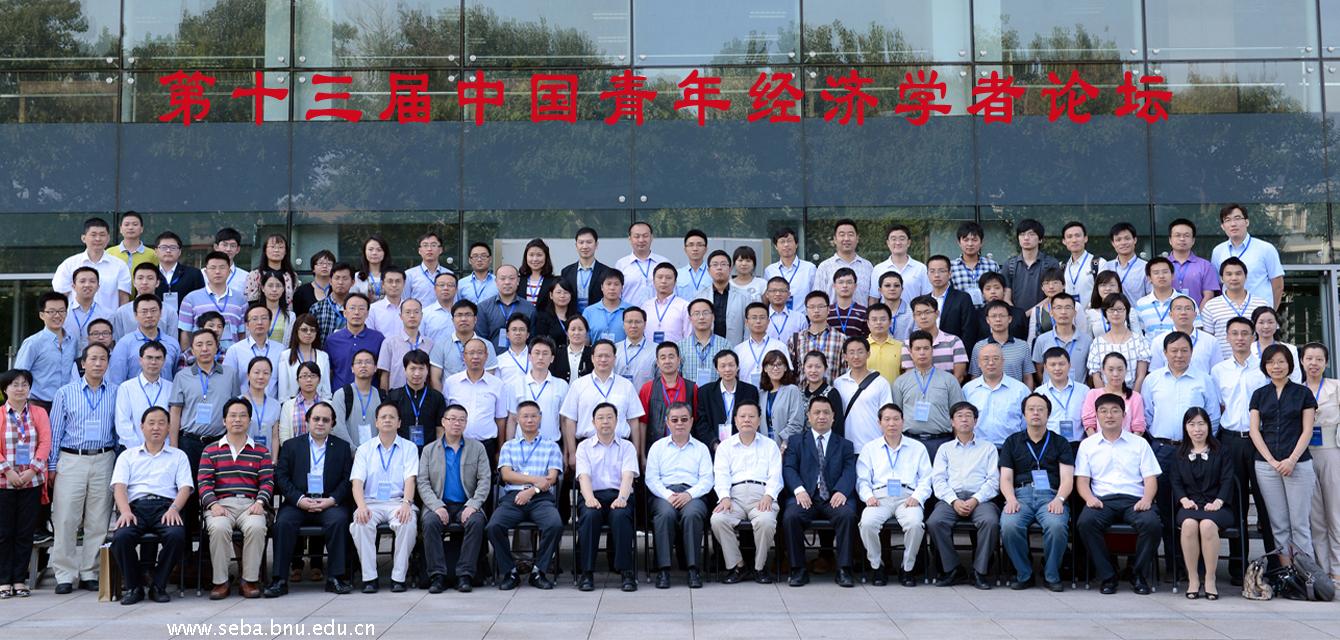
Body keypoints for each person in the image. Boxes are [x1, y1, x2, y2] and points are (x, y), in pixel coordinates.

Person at [264, 401, 354, 597]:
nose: (320, 423)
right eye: (316, 419)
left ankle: (335, 578)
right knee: (283, 523)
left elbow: (347, 480)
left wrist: (331, 500)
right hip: (298, 503)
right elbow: (281, 477)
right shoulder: (291, 446)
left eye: (326, 420)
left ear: (332, 424)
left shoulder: (342, 447)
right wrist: (299, 499)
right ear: (307, 421)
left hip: (329, 503)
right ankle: (279, 580)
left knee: (339, 521)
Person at [1075, 392, 1162, 595]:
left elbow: (1150, 479)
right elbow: (1082, 480)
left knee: (1152, 524)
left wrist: (1147, 499)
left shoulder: (1139, 443)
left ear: (1124, 415)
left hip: (1134, 500)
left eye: (1115, 411)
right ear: (1096, 415)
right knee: (1085, 523)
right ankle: (1108, 576)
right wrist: (1089, 498)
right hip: (1102, 500)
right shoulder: (1087, 445)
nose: (1109, 415)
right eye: (1103, 411)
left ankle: (1137, 574)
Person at [48, 343, 117, 594]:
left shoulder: (116, 392)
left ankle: (90, 572)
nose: (98, 363)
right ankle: (64, 574)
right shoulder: (65, 393)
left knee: (99, 519)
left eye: (103, 359)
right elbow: (55, 432)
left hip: (104, 457)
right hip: (72, 459)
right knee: (66, 518)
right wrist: (52, 466)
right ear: (83, 363)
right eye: (93, 359)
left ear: (108, 363)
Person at [108, 405, 191, 605]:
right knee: (121, 537)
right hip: (135, 508)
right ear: (142, 427)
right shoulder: (127, 456)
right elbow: (119, 487)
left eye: (161, 423)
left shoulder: (178, 456)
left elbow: (185, 488)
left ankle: (158, 585)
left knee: (177, 536)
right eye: (151, 423)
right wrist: (125, 511)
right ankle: (134, 586)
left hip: (166, 508)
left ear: (169, 427)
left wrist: (174, 509)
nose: (156, 427)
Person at [1212, 316, 1272, 580]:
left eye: (1245, 333)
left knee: (1266, 502)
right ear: (1227, 337)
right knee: (1236, 503)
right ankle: (1238, 566)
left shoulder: (1264, 368)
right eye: (1234, 333)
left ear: (1253, 336)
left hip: (1260, 441)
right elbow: (1217, 406)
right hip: (1230, 440)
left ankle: (1275, 564)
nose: (1239, 338)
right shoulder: (1219, 370)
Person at [198, 398, 274, 599]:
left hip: (251, 504)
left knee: (256, 527)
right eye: (232, 416)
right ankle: (220, 582)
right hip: (221, 505)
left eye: (242, 416)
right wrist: (212, 504)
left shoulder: (261, 451)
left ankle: (249, 580)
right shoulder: (210, 450)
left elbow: (267, 482)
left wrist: (260, 502)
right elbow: (204, 483)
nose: (237, 420)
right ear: (224, 420)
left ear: (249, 420)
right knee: (219, 528)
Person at [1250, 344, 1317, 567]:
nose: (1276, 366)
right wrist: (1271, 461)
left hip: (1298, 464)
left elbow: (1307, 430)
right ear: (1264, 366)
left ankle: (1306, 576)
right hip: (1266, 466)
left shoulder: (1303, 393)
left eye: (1281, 361)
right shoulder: (1259, 395)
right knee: (1278, 525)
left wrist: (1291, 459)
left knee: (1300, 525)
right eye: (1270, 362)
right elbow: (1254, 431)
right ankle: (1287, 574)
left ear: (1290, 364)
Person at [999, 393, 1074, 591]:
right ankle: (1024, 573)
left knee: (1056, 526)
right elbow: (1005, 477)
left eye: (1041, 409)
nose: (1036, 413)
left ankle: (1051, 574)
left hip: (1051, 496)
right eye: (1031, 409)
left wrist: (1060, 499)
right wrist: (1010, 499)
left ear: (1048, 414)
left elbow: (1067, 478)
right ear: (1024, 414)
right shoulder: (1012, 441)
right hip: (1020, 495)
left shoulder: (1060, 442)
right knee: (1009, 525)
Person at [782, 396, 857, 588]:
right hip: (806, 497)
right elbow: (789, 468)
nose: (821, 416)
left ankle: (844, 569)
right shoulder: (796, 442)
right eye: (817, 412)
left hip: (833, 497)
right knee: (791, 517)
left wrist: (841, 491)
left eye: (826, 413)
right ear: (808, 416)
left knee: (847, 515)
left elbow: (850, 471)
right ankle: (798, 570)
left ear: (833, 417)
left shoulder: (845, 444)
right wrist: (799, 490)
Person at [487, 401, 563, 590]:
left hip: (541, 498)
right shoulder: (509, 446)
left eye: (533, 416)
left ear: (540, 418)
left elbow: (552, 478)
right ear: (517, 419)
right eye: (525, 416)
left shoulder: (551, 446)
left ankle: (538, 571)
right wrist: (537, 480)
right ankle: (510, 572)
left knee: (555, 525)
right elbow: (506, 475)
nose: (530, 420)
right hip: (513, 497)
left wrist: (531, 490)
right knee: (494, 526)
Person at [856, 403, 932, 587]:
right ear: (879, 423)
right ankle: (877, 566)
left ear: (903, 421)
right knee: (866, 523)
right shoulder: (870, 448)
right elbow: (862, 480)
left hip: (908, 498)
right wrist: (868, 496)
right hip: (879, 498)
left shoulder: (917, 447)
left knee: (915, 524)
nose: (892, 423)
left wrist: (918, 497)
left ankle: (907, 568)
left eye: (896, 419)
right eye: (887, 419)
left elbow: (926, 479)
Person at [926, 402, 999, 590]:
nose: (964, 419)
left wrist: (976, 499)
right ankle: (953, 569)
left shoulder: (988, 448)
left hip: (980, 499)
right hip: (952, 498)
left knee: (990, 522)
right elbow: (938, 480)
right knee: (935, 522)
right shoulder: (945, 449)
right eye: (959, 416)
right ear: (952, 422)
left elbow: (993, 481)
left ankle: (979, 571)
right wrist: (954, 500)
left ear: (976, 421)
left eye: (968, 416)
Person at [418, 404, 491, 593]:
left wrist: (473, 505)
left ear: (466, 423)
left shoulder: (477, 448)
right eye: (452, 419)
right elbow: (423, 482)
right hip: (438, 504)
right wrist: (436, 506)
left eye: (461, 420)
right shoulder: (429, 450)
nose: (456, 423)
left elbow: (485, 480)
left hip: (466, 504)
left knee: (476, 522)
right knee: (430, 522)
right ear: (443, 422)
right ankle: (437, 576)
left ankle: (465, 575)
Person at [349, 402, 418, 593]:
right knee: (360, 524)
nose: (387, 420)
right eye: (383, 417)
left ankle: (398, 577)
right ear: (376, 422)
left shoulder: (409, 447)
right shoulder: (364, 449)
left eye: (392, 417)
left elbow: (410, 479)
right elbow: (357, 482)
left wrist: (407, 504)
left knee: (407, 522)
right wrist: (361, 506)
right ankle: (369, 578)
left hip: (398, 502)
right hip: (371, 503)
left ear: (399, 423)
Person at [710, 401, 781, 584]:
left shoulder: (770, 445)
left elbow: (775, 475)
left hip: (762, 496)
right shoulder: (725, 446)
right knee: (718, 520)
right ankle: (738, 566)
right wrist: (724, 497)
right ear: (735, 420)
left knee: (766, 521)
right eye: (742, 416)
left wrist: (768, 495)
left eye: (751, 416)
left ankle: (759, 567)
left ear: (759, 420)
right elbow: (721, 474)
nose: (747, 420)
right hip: (735, 497)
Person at [645, 402, 712, 589]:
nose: (679, 423)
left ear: (691, 421)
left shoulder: (701, 448)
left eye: (684, 419)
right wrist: (668, 495)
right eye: (674, 420)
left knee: (692, 514)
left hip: (693, 494)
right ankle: (664, 570)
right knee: (665, 514)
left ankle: (693, 569)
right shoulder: (657, 447)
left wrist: (689, 494)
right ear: (667, 423)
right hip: (664, 494)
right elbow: (651, 479)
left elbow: (707, 479)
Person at [574, 403, 640, 592]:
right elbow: (583, 476)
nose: (605, 422)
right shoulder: (584, 447)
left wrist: (622, 498)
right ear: (593, 422)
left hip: (619, 494)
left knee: (620, 516)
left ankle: (626, 572)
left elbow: (628, 475)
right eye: (601, 418)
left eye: (610, 417)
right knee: (590, 516)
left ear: (617, 421)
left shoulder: (627, 446)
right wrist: (589, 498)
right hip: (592, 494)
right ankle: (586, 573)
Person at [1171, 407, 1235, 600]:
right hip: (1190, 505)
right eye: (1192, 424)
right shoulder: (1179, 453)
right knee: (1189, 525)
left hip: (1218, 506)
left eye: (1201, 424)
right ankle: (1193, 579)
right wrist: (1183, 500)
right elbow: (1175, 481)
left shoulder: (1222, 451)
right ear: (1185, 428)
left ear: (1209, 426)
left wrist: (1218, 501)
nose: (1197, 429)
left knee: (1207, 525)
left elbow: (1228, 480)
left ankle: (1210, 578)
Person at [0, 370, 50, 599]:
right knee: (4, 533)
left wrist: (32, 470)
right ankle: (4, 580)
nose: (20, 389)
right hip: (4, 483)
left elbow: (45, 442)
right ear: (5, 389)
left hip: (32, 482)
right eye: (15, 384)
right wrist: (7, 471)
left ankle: (20, 579)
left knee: (25, 532)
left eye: (24, 384)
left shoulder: (38, 413)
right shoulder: (1, 414)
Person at [560, 340, 645, 462]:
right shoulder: (578, 385)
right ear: (592, 358)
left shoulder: (626, 385)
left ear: (614, 359)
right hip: (586, 448)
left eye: (607, 356)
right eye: (599, 356)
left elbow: (633, 421)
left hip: (621, 449)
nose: (603, 359)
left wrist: (635, 453)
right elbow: (570, 420)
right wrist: (572, 453)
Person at [892, 331, 965, 460]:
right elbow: (896, 415)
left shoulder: (949, 380)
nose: (922, 353)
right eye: (917, 349)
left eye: (926, 348)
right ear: (910, 352)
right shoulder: (900, 382)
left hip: (941, 442)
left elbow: (958, 414)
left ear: (932, 351)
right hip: (910, 442)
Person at [1303, 343, 1340, 580]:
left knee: (1335, 512)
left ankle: (1338, 568)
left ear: (1326, 363)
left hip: (1331, 450)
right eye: (1309, 358)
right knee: (1315, 516)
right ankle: (1323, 568)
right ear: (1302, 362)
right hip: (1306, 453)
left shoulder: (1336, 387)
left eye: (1319, 359)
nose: (1314, 363)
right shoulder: (1297, 390)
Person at [443, 339, 511, 460]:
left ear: (486, 356)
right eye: (471, 353)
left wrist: (500, 449)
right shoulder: (451, 383)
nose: (475, 357)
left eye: (480, 352)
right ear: (464, 356)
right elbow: (445, 416)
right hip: (456, 444)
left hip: (486, 445)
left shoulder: (497, 384)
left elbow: (500, 419)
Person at [15, 291, 78, 411]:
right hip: (39, 405)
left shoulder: (72, 341)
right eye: (51, 311)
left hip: (67, 404)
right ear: (42, 315)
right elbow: (19, 375)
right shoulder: (33, 343)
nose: (57, 315)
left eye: (61, 311)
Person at [1212, 203, 1284, 307]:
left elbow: (1278, 285)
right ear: (1223, 226)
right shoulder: (1218, 251)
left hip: (1259, 312)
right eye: (1227, 220)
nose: (1233, 224)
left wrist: (1272, 311)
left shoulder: (1266, 248)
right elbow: (1218, 285)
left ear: (1247, 222)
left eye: (1237, 218)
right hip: (1228, 312)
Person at [52, 217, 131, 311]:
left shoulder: (120, 265)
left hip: (109, 319)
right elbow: (60, 297)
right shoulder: (69, 264)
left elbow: (123, 299)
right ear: (83, 238)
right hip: (75, 319)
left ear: (108, 238)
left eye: (102, 235)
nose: (98, 239)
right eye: (93, 235)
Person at [1201, 257, 1269, 360]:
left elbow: (1268, 336)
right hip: (1222, 364)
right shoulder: (1210, 306)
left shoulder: (1261, 304)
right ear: (1221, 278)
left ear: (1246, 276)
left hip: (1256, 364)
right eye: (1229, 274)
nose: (1234, 278)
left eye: (1238, 274)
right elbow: (1208, 341)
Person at [963, 343, 1031, 447]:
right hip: (976, 449)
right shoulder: (968, 390)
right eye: (986, 359)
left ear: (1003, 361)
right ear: (978, 363)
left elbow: (1027, 424)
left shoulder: (1021, 390)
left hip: (1011, 449)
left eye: (995, 358)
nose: (991, 363)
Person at [834, 337, 894, 452]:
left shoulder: (881, 383)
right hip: (847, 447)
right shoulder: (839, 383)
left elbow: (887, 415)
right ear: (845, 356)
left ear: (868, 354)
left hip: (875, 446)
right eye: (851, 352)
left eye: (860, 352)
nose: (856, 356)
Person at [178, 251, 246, 353]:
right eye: (213, 268)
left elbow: (242, 333)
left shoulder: (241, 299)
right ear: (205, 272)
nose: (217, 271)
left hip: (231, 356)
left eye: (222, 267)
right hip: (201, 356)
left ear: (229, 271)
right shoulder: (190, 299)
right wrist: (187, 357)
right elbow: (186, 333)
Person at [693, 351, 760, 451]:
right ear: (717, 369)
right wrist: (714, 444)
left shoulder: (750, 391)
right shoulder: (705, 392)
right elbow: (701, 423)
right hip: (715, 448)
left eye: (731, 365)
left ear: (737, 367)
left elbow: (754, 419)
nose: (727, 369)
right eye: (723, 366)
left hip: (744, 447)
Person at [1085, 293, 1152, 392]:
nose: (1116, 313)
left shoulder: (1139, 340)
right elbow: (1096, 376)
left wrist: (1133, 397)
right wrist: (1106, 398)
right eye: (1111, 310)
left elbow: (1141, 375)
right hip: (1106, 397)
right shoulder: (1097, 343)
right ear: (1105, 313)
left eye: (1120, 309)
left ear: (1127, 311)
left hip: (1133, 394)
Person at [509, 337, 568, 442]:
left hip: (551, 444)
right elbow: (512, 419)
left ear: (552, 358)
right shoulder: (516, 384)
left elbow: (564, 420)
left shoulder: (562, 385)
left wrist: (567, 449)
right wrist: (508, 446)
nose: (540, 357)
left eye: (545, 354)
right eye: (537, 353)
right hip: (521, 444)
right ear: (529, 357)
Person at [428, 300, 500, 386]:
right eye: (459, 315)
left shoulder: (487, 345)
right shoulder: (441, 345)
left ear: (475, 319)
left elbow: (490, 377)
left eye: (468, 315)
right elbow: (435, 379)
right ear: (452, 320)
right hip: (449, 394)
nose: (463, 319)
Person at [637, 342, 697, 444]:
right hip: (656, 446)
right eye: (663, 358)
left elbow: (695, 420)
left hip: (685, 446)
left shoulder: (691, 388)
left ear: (679, 360)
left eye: (671, 357)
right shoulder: (647, 388)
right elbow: (643, 423)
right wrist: (642, 452)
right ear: (657, 362)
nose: (667, 361)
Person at [386, 350, 446, 448]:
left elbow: (440, 429)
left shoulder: (437, 397)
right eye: (412, 368)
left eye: (421, 368)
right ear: (405, 370)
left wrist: (438, 451)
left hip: (428, 451)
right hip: (400, 450)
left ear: (427, 370)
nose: (417, 373)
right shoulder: (394, 396)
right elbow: (388, 427)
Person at [325, 294, 385, 391]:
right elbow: (329, 371)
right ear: (345, 313)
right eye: (352, 308)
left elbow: (382, 372)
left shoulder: (378, 338)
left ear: (367, 313)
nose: (357, 312)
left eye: (361, 308)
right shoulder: (332, 340)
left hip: (370, 394)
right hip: (340, 394)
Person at [1147, 294, 1220, 374]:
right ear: (1171, 315)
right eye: (1178, 308)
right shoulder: (1159, 341)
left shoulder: (1211, 341)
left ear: (1195, 315)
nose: (1183, 312)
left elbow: (1217, 373)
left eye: (1188, 308)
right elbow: (1155, 373)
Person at [223, 304, 285, 397]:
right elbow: (228, 382)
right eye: (254, 319)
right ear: (247, 325)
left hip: (273, 404)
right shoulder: (235, 350)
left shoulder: (281, 349)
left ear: (270, 322)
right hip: (244, 404)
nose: (260, 322)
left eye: (264, 318)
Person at [904, 294, 969, 382]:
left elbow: (959, 376)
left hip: (949, 389)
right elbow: (910, 377)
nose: (923, 317)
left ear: (937, 314)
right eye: (918, 314)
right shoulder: (907, 344)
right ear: (914, 317)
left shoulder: (954, 341)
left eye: (927, 312)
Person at [696, 250, 755, 345]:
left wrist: (745, 347)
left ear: (730, 268)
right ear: (708, 270)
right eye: (715, 265)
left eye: (723, 264)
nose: (719, 268)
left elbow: (748, 327)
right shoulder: (700, 297)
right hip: (708, 347)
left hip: (735, 347)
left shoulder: (744, 297)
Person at [1031, 293, 1091, 385]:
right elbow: (1039, 369)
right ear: (1051, 312)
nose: (1063, 312)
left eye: (1068, 308)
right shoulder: (1042, 340)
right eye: (1058, 308)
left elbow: (1090, 372)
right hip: (1049, 391)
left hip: (1079, 391)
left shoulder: (1087, 340)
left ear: (1075, 312)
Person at [1080, 352, 1147, 435]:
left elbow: (1138, 427)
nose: (1115, 374)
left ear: (1126, 371)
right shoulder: (1093, 394)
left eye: (1120, 369)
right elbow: (1089, 424)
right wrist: (1097, 442)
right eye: (1111, 370)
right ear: (1103, 371)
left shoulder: (1135, 397)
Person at [970, 300, 1033, 386]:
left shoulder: (1023, 346)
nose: (998, 319)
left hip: (1016, 393)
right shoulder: (979, 347)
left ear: (1010, 319)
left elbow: (1028, 377)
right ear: (987, 320)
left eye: (1002, 316)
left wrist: (1028, 394)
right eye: (993, 316)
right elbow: (975, 376)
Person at [787, 291, 847, 382]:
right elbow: (790, 372)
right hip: (803, 390)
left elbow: (845, 372)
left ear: (828, 309)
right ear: (806, 310)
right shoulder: (796, 339)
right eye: (812, 307)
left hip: (831, 390)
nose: (816, 310)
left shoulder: (841, 339)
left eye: (820, 306)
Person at [1003, 218, 1060, 311]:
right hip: (1015, 317)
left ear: (1040, 239)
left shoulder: (1051, 263)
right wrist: (1017, 315)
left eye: (1031, 234)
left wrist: (1030, 313)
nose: (1026, 238)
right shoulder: (1009, 265)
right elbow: (1006, 297)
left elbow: (1054, 294)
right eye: (1022, 234)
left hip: (1044, 315)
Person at [1038, 346, 1091, 445]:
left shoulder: (1084, 391)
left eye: (1061, 364)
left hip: (1078, 444)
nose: (1057, 368)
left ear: (1069, 365)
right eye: (1052, 365)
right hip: (1050, 445)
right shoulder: (1039, 393)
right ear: (1045, 367)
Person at [331, 350, 383, 449]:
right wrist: (354, 451)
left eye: (368, 362)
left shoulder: (381, 396)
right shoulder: (342, 394)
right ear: (352, 368)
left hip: (377, 453)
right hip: (349, 454)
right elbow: (338, 428)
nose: (363, 365)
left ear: (375, 368)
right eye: (359, 362)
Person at [377, 298, 432, 390]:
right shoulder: (389, 343)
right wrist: (385, 397)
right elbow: (384, 374)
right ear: (400, 316)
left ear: (422, 315)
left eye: (416, 312)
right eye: (407, 312)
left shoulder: (429, 344)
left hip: (423, 395)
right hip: (396, 394)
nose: (412, 315)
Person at [813, 219, 874, 302]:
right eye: (842, 235)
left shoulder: (867, 266)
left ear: (857, 238)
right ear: (835, 239)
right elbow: (818, 299)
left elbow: (873, 299)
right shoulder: (824, 267)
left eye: (850, 234)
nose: (846, 238)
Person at [870, 223, 931, 305]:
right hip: (886, 313)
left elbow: (927, 297)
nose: (898, 242)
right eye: (893, 239)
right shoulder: (878, 269)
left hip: (913, 313)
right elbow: (874, 299)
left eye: (902, 239)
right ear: (888, 243)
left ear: (909, 242)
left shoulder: (921, 268)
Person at [927, 255, 979, 351]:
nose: (936, 275)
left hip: (954, 352)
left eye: (942, 271)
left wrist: (961, 354)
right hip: (927, 353)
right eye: (932, 271)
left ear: (950, 274)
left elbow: (969, 331)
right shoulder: (924, 300)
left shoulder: (962, 298)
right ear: (927, 274)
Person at [477, 265, 536, 350]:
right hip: (493, 356)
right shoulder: (483, 308)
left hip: (521, 357)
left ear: (518, 281)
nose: (507, 282)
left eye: (511, 278)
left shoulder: (529, 308)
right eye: (502, 278)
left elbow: (532, 339)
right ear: (496, 282)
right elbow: (481, 339)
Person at [112, 263, 173, 341]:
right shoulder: (122, 312)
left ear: (157, 283)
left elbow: (172, 342)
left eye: (150, 278)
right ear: (134, 282)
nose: (144, 282)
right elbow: (119, 341)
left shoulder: (169, 311)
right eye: (140, 278)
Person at [677, 298, 730, 385]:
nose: (701, 317)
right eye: (696, 313)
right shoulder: (680, 346)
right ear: (690, 318)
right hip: (690, 392)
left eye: (705, 313)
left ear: (713, 317)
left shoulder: (725, 345)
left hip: (716, 392)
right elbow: (677, 375)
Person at [278, 315, 332, 400]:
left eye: (312, 330)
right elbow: (283, 392)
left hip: (318, 403)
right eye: (304, 330)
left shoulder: (323, 356)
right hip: (293, 403)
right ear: (296, 331)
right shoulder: (286, 355)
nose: (309, 333)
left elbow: (326, 390)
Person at [560, 226, 613, 313]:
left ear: (596, 245)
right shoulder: (566, 272)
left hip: (597, 316)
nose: (585, 246)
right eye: (581, 242)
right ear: (576, 245)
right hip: (572, 318)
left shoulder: (606, 271)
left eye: (589, 242)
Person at [1165, 218, 1218, 306]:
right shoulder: (1162, 265)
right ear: (1170, 240)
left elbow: (1209, 295)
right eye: (1177, 235)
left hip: (1197, 313)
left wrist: (1198, 313)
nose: (1182, 239)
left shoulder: (1205, 266)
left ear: (1193, 240)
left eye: (1186, 235)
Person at [735, 303, 789, 387]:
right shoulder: (738, 349)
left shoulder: (780, 347)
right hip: (746, 393)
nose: (758, 321)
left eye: (762, 317)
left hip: (773, 392)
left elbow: (787, 374)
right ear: (746, 322)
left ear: (768, 321)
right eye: (754, 317)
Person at [616, 221, 669, 306]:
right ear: (630, 239)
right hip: (629, 312)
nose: (641, 240)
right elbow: (617, 293)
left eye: (645, 236)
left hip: (658, 312)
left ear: (651, 238)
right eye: (637, 236)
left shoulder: (663, 262)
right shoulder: (621, 264)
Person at [759, 351, 806, 446]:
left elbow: (796, 423)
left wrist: (784, 441)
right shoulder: (761, 394)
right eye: (771, 364)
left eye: (779, 364)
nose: (775, 368)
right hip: (764, 446)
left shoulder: (792, 390)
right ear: (765, 368)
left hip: (785, 445)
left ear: (785, 368)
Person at [764, 227, 816, 310]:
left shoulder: (809, 268)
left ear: (796, 244)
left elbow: (815, 296)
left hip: (803, 316)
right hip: (777, 316)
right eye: (782, 242)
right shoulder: (769, 270)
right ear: (776, 246)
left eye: (789, 241)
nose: (786, 245)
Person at [63, 267, 114, 351]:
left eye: (92, 281)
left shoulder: (107, 315)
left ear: (98, 287)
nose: (87, 285)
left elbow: (111, 344)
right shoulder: (63, 313)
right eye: (82, 281)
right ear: (73, 286)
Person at [153, 231, 205, 314]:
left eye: (173, 247)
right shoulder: (150, 275)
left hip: (186, 319)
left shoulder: (194, 274)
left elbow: (200, 301)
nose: (168, 250)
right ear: (156, 251)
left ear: (179, 252)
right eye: (164, 247)